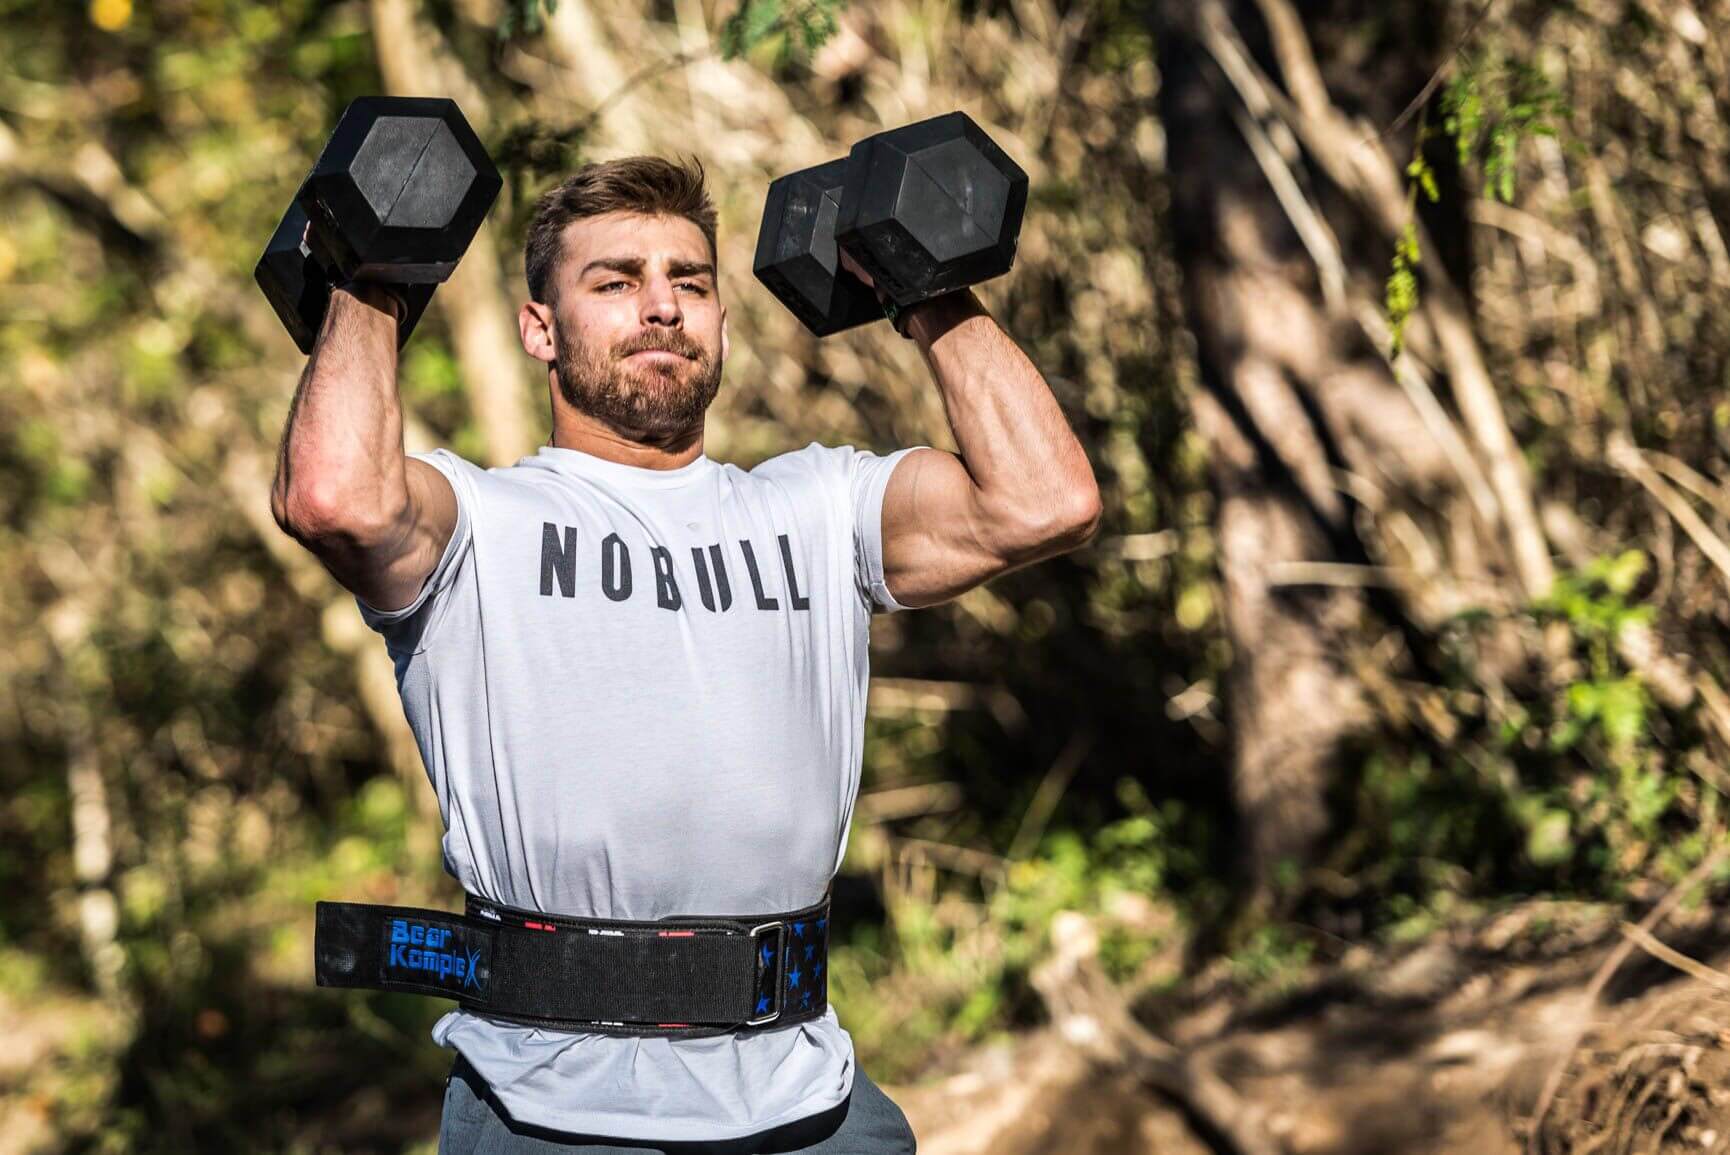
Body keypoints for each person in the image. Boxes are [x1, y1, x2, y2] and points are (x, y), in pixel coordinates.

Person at [270, 155, 1099, 1153]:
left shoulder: (817, 506)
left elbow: (1043, 502)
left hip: (808, 1098)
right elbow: (332, 499)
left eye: (690, 283)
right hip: (548, 1108)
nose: (661, 306)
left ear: (722, 324)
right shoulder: (479, 524)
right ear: (540, 330)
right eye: (615, 282)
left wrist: (923, 287)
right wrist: (374, 277)